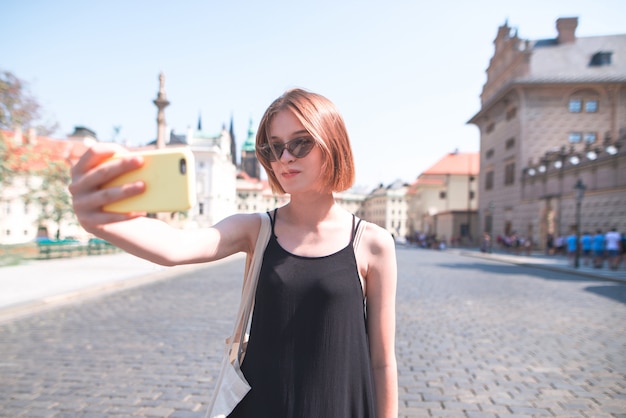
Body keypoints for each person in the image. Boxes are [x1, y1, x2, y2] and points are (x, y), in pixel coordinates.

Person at [69, 88, 398, 418]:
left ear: (332, 143)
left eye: (300, 143)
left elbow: (382, 362)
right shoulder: (256, 230)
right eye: (273, 148)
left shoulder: (372, 243)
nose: (284, 158)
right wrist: (99, 220)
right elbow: (175, 247)